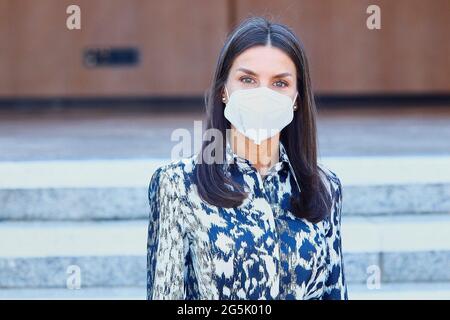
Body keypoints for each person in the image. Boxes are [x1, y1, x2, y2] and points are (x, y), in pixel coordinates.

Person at [147, 16, 348, 300]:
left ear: (297, 98)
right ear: (223, 91)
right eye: (247, 79)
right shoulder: (178, 184)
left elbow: (334, 292)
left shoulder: (324, 186)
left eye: (279, 83)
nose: (262, 94)